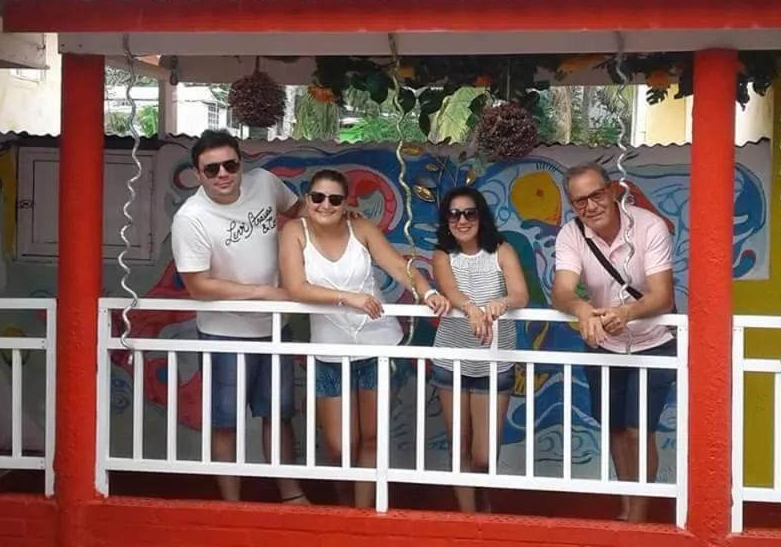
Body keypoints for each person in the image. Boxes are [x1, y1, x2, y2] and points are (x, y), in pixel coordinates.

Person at [279, 168, 450, 508]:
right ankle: (345, 509)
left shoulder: (361, 228)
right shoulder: (295, 231)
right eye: (318, 197)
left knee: (370, 437)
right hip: (330, 351)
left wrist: (428, 292)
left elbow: (399, 267)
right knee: (340, 446)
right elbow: (296, 287)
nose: (325, 205)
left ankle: (362, 513)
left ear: (346, 203)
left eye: (334, 199)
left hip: (380, 344)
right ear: (307, 198)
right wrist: (348, 298)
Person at [170, 129, 308, 504]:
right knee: (226, 420)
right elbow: (198, 286)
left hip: (275, 326)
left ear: (240, 163)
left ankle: (291, 496)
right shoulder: (191, 218)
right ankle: (231, 506)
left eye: (230, 165)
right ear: (197, 173)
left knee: (278, 414)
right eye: (211, 169)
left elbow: (299, 211)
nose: (223, 174)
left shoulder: (265, 183)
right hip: (224, 333)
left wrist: (341, 220)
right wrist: (263, 293)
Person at [550, 162, 677, 523]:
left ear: (611, 191)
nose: (590, 206)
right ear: (572, 205)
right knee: (617, 430)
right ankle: (627, 505)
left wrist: (626, 312)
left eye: (596, 195)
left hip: (653, 342)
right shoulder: (570, 234)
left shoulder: (649, 226)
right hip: (604, 344)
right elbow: (561, 291)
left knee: (639, 431)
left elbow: (663, 296)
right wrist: (582, 309)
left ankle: (638, 515)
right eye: (580, 201)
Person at [429, 186, 529, 513]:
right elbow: (450, 290)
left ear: (481, 216)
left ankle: (483, 506)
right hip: (452, 357)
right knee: (459, 446)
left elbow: (520, 294)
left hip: (494, 360)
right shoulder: (442, 254)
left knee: (483, 455)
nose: (462, 220)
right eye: (454, 214)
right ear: (446, 220)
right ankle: (468, 518)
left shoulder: (502, 250)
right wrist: (472, 309)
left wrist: (503, 302)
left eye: (469, 213)